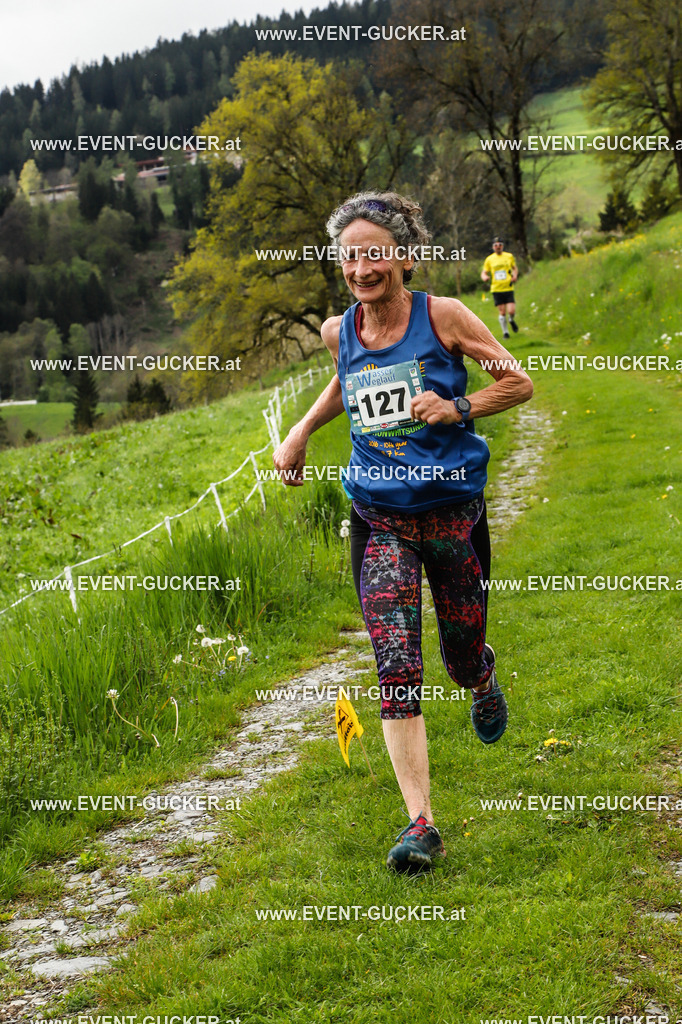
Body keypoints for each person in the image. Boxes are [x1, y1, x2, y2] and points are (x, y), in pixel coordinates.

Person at [273, 191, 533, 874]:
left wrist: (458, 406)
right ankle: (421, 823)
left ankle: (481, 678)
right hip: (379, 516)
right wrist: (300, 432)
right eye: (349, 255)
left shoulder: (442, 315)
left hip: (450, 513)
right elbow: (344, 381)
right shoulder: (340, 330)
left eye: (374, 253)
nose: (361, 267)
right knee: (396, 665)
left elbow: (518, 382)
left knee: (460, 647)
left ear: (404, 258)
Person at [481, 236, 519, 340]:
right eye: (496, 245)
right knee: (502, 312)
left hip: (508, 287)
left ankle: (511, 320)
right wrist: (485, 277)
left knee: (511, 311)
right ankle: (505, 333)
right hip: (496, 289)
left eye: (500, 245)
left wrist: (515, 276)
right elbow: (484, 272)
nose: (498, 247)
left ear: (503, 246)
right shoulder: (489, 259)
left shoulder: (509, 256)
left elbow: (514, 268)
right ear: (493, 247)